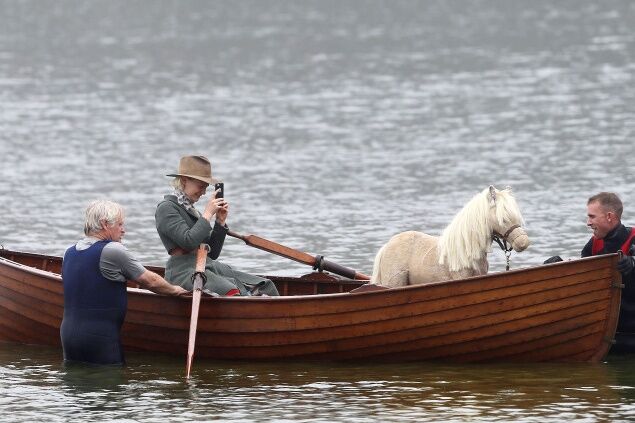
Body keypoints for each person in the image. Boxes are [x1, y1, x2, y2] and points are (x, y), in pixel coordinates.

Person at [61, 200, 188, 366]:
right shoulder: (113, 250)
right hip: (100, 339)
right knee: (111, 388)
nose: (124, 230)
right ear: (105, 224)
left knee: (77, 386)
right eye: (120, 224)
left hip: (68, 336)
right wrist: (176, 290)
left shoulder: (68, 252)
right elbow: (151, 281)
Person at [155, 155, 279, 296]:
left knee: (266, 286)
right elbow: (188, 242)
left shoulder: (191, 210)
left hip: (207, 265)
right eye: (201, 186)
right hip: (183, 271)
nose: (203, 192)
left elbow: (212, 253)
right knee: (231, 291)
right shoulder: (166, 208)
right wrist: (207, 215)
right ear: (184, 180)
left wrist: (219, 222)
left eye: (206, 187)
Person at [582, 192, 635, 350]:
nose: (588, 223)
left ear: (610, 216)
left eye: (592, 217)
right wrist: (559, 266)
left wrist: (632, 262)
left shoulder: (633, 237)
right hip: (608, 334)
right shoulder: (593, 243)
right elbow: (581, 273)